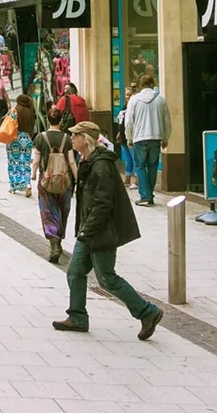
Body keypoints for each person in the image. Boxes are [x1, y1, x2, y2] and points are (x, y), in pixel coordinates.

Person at [53, 121, 162, 340]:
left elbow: (103, 203)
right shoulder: (89, 161)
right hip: (89, 229)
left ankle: (147, 311)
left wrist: (88, 230)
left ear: (87, 139)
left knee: (106, 278)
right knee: (75, 271)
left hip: (100, 230)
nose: (72, 139)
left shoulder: (101, 166)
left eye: (76, 135)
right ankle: (77, 317)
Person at [32, 107, 77, 263]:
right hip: (65, 181)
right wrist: (77, 178)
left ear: (48, 119)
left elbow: (36, 160)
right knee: (63, 209)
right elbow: (71, 161)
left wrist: (33, 174)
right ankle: (60, 237)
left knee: (48, 211)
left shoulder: (40, 138)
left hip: (46, 180)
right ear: (61, 121)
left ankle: (54, 242)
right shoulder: (67, 138)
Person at [124, 74, 172, 207]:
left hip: (139, 138)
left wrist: (129, 137)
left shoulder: (134, 100)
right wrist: (165, 137)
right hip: (155, 137)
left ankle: (145, 195)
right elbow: (167, 121)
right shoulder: (161, 99)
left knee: (139, 166)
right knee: (152, 166)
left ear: (141, 85)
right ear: (153, 84)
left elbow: (128, 122)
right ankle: (149, 195)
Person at [7, 93, 37, 196]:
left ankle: (14, 186)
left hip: (15, 139)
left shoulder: (15, 111)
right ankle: (27, 184)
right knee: (25, 163)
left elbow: (9, 125)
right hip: (27, 139)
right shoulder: (30, 112)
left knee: (14, 163)